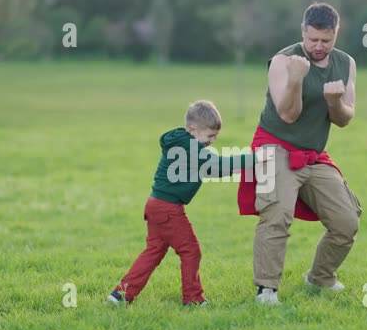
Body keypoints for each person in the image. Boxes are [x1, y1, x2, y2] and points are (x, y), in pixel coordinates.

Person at [238, 2, 363, 305]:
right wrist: (296, 79)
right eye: (312, 40)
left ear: (336, 34)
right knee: (276, 214)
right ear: (303, 32)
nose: (318, 46)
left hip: (312, 154)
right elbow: (287, 115)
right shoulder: (283, 61)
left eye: (326, 40)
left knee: (347, 221)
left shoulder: (346, 63)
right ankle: (266, 290)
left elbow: (344, 119)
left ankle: (320, 278)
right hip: (273, 147)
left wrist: (334, 101)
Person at [108, 100, 269, 306]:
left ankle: (120, 295)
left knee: (153, 252)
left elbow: (214, 169)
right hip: (168, 209)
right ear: (193, 129)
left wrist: (242, 166)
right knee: (191, 251)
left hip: (155, 205)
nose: (213, 140)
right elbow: (218, 164)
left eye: (215, 136)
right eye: (210, 135)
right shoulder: (191, 147)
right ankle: (192, 298)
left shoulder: (184, 143)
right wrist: (257, 158)